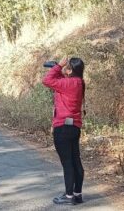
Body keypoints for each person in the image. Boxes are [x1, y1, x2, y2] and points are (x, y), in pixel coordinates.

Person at [42, 57, 85, 205]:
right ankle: (77, 194)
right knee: (75, 160)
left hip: (63, 128)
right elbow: (61, 82)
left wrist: (57, 66)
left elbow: (47, 80)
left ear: (71, 70)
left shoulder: (67, 83)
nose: (64, 68)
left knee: (67, 163)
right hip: (74, 127)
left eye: (67, 67)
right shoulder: (79, 82)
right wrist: (59, 69)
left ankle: (68, 196)